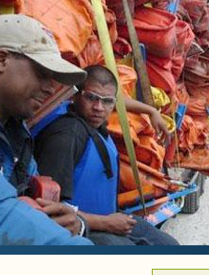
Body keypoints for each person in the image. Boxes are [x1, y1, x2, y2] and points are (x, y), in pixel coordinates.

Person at [0, 14, 93, 245]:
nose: (52, 88)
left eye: (54, 78)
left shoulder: (15, 137)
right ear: (1, 59)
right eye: (42, 73)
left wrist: (74, 223)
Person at [33, 65, 178, 246]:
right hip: (77, 230)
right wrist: (105, 223)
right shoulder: (67, 136)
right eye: (91, 98)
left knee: (169, 245)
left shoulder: (94, 124)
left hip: (106, 219)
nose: (98, 107)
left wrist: (152, 111)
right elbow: (49, 209)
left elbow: (111, 98)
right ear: (75, 95)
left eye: (107, 101)